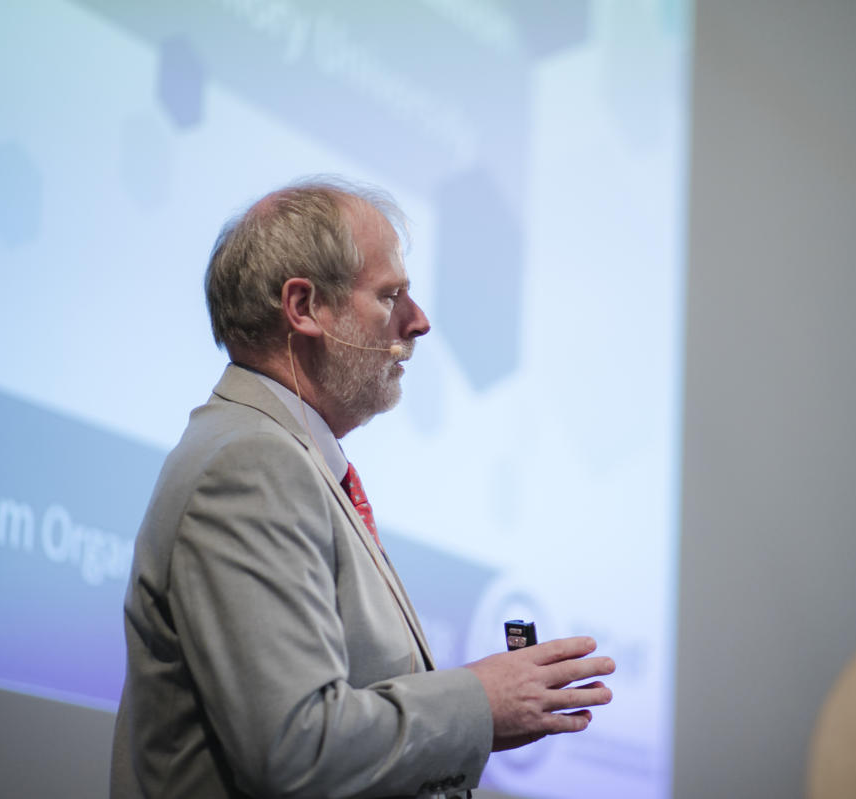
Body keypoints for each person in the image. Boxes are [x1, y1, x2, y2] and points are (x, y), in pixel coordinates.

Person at [110, 178, 614, 799]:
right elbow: (296, 748)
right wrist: (480, 703)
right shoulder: (251, 464)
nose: (418, 321)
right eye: (390, 295)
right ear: (303, 307)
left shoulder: (289, 459)